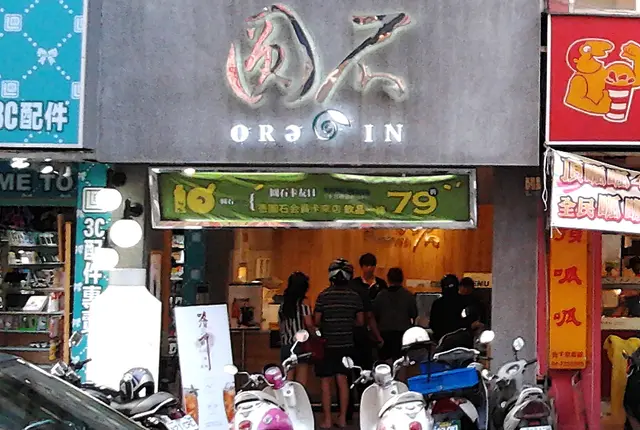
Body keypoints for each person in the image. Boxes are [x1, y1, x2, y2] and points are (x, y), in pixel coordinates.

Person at [314, 258, 365, 429]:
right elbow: (360, 321)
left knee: (326, 382)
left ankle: (327, 419)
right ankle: (342, 418)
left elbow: (316, 321)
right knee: (343, 380)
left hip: (327, 344)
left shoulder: (323, 296)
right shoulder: (354, 297)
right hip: (346, 344)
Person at [373, 268, 418, 380]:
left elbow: (375, 315)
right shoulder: (408, 295)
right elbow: (414, 314)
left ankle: (388, 384)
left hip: (385, 334)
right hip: (403, 334)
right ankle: (400, 385)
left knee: (386, 363)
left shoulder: (381, 296)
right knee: (402, 362)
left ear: (388, 279)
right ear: (402, 279)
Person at [277, 271, 315, 385]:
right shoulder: (303, 303)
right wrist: (316, 334)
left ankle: (287, 397)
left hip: (286, 345)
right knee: (300, 382)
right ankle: (298, 397)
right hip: (300, 344)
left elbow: (280, 325)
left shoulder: (283, 304)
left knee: (288, 379)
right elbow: (309, 323)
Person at [429, 274, 466, 342]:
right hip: (460, 339)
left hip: (442, 339)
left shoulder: (438, 303)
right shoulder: (464, 301)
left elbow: (433, 324)